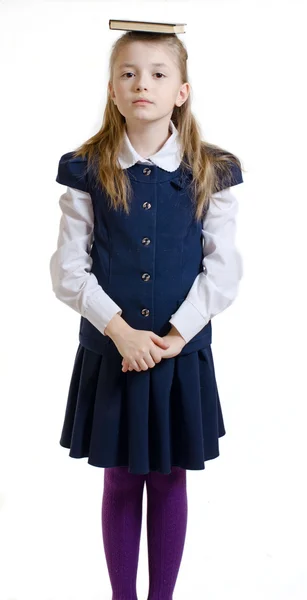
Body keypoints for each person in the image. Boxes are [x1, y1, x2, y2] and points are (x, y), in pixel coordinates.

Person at [50, 29, 244, 600]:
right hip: (112, 352)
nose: (143, 84)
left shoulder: (211, 170)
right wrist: (119, 332)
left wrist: (177, 335)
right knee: (118, 478)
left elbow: (223, 269)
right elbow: (68, 269)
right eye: (129, 73)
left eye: (159, 74)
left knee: (167, 478)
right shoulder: (86, 168)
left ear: (182, 91)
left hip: (178, 355)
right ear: (112, 89)